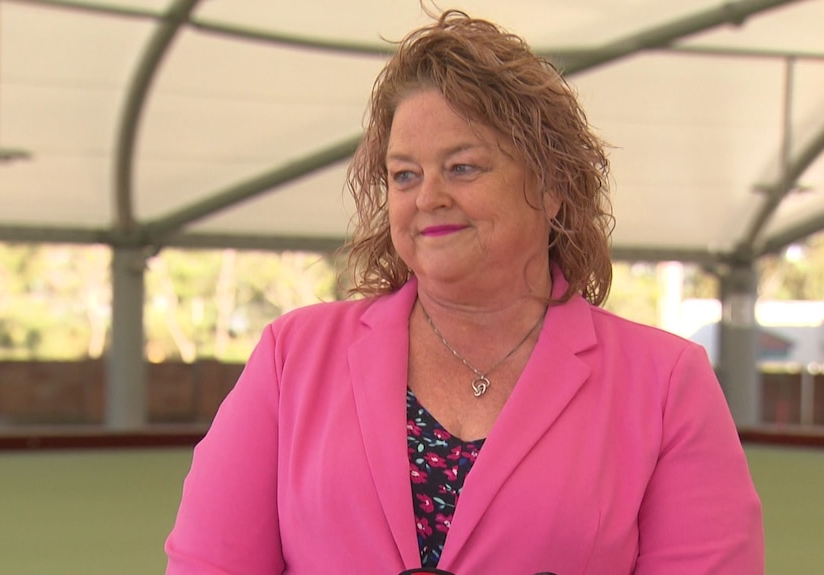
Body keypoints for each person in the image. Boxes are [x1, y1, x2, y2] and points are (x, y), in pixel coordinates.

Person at [165, 10, 763, 574]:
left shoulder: (665, 384)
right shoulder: (291, 356)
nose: (428, 197)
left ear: (552, 185)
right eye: (405, 175)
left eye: (463, 167)